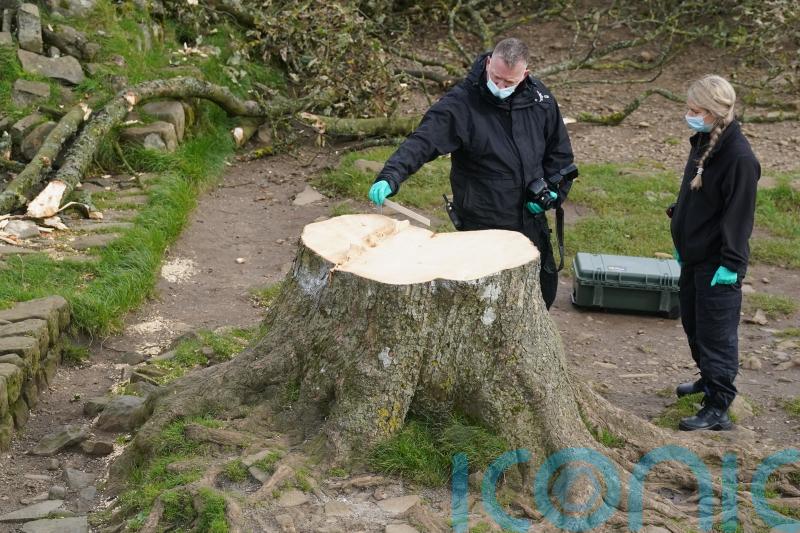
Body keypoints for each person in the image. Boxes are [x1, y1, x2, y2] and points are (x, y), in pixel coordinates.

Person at [367, 38, 577, 309]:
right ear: (488, 62)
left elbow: (560, 156)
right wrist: (390, 175)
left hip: (530, 220)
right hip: (481, 222)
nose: (500, 87)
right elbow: (422, 142)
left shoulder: (540, 101)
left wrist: (552, 192)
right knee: (481, 303)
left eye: (508, 83)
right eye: (496, 78)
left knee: (540, 295)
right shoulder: (461, 104)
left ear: (525, 75)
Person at [669, 75, 760, 431]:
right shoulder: (705, 142)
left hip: (717, 264)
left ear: (716, 112)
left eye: (696, 110)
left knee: (715, 334)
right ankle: (708, 380)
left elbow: (739, 217)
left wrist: (731, 265)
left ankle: (719, 404)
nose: (689, 115)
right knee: (693, 323)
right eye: (689, 108)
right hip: (693, 254)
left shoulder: (739, 159)